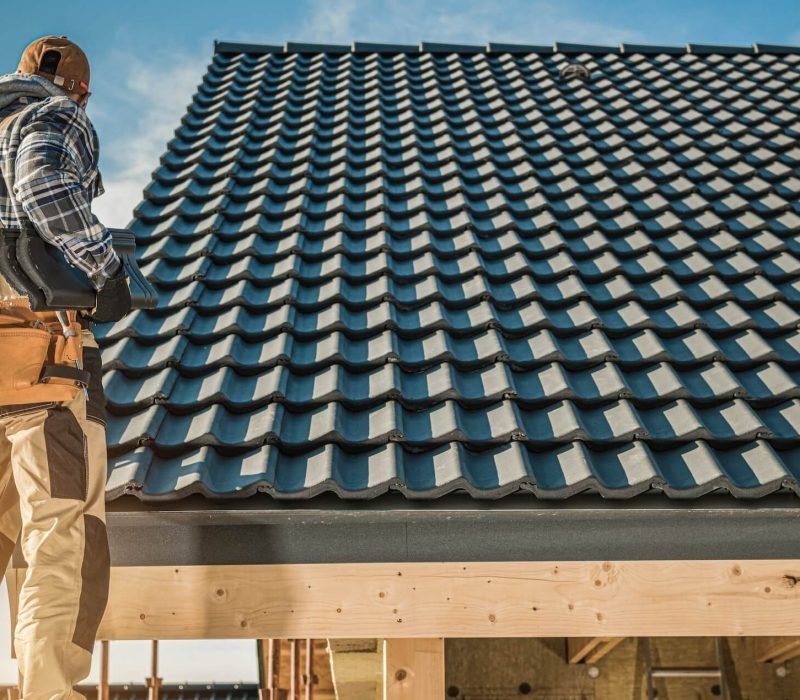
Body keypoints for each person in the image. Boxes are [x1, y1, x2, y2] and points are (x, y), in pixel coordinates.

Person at [0, 35, 131, 697]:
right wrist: (104, 267)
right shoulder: (54, 114)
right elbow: (42, 182)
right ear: (80, 89)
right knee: (61, 535)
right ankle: (49, 691)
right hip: (39, 361)